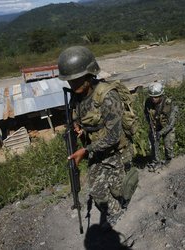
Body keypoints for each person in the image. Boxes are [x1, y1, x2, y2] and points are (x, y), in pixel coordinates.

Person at [58, 46, 129, 228]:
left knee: (119, 189)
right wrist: (77, 126)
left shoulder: (107, 97)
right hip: (94, 150)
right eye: (70, 81)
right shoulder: (77, 97)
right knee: (97, 191)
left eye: (77, 80)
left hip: (115, 152)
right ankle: (115, 212)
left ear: (89, 75)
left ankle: (123, 196)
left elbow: (114, 136)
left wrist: (85, 150)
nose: (73, 85)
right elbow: (77, 115)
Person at [144, 82, 178, 170]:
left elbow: (171, 122)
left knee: (168, 144)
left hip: (167, 126)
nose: (153, 99)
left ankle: (169, 160)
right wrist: (152, 127)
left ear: (161, 95)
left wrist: (161, 132)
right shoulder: (148, 102)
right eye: (152, 97)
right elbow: (147, 114)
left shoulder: (168, 104)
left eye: (155, 97)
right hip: (155, 126)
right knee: (153, 144)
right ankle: (156, 161)